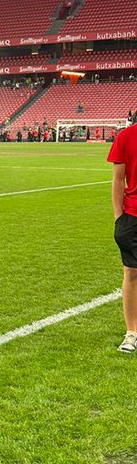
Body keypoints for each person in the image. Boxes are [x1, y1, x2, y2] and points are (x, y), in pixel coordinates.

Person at [108, 120, 137, 352]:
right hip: (132, 216)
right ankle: (131, 332)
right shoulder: (126, 136)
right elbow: (118, 179)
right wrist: (119, 217)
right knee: (131, 271)